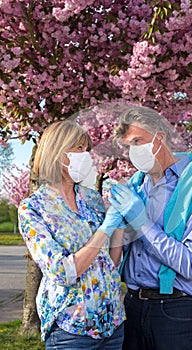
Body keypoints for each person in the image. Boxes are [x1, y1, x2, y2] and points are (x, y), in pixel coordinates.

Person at [108, 105, 192, 350]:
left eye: (138, 141)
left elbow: (190, 265)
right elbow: (118, 258)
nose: (133, 152)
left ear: (159, 137)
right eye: (128, 146)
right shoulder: (138, 185)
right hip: (134, 307)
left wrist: (142, 223)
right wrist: (114, 225)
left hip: (175, 310)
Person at [18, 120, 126, 350]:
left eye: (86, 150)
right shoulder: (34, 208)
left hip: (112, 325)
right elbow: (62, 272)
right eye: (78, 149)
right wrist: (105, 229)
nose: (85, 155)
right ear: (57, 152)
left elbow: (111, 263)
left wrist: (119, 225)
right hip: (71, 329)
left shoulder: (93, 199)